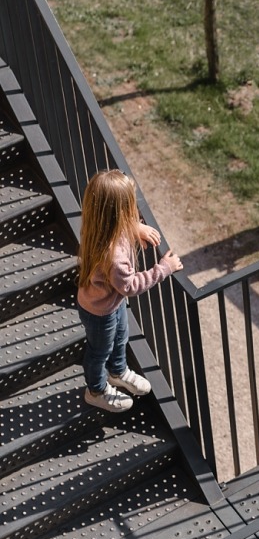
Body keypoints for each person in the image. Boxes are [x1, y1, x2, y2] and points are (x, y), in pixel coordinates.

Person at [76, 169, 183, 412]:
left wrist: (135, 228)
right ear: (118, 213)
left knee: (121, 337)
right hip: (99, 312)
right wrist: (164, 268)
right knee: (98, 351)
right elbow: (130, 286)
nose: (134, 208)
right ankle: (96, 389)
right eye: (130, 206)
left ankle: (118, 371)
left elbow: (121, 228)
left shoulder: (100, 224)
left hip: (110, 304)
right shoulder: (113, 257)